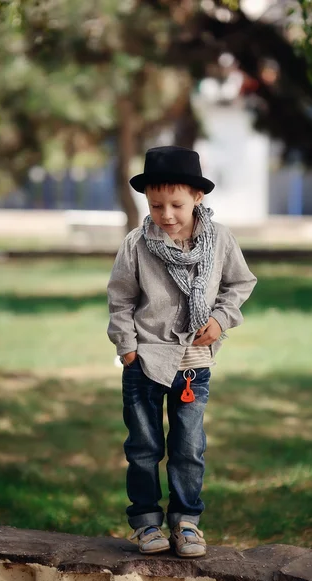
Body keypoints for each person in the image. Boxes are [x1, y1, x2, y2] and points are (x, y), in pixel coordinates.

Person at [107, 146, 257, 557]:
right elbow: (120, 299)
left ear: (198, 197)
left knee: (189, 446)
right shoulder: (136, 244)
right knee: (143, 447)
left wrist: (222, 319)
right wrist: (127, 348)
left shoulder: (220, 241)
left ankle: (186, 522)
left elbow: (240, 284)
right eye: (156, 205)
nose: (167, 214)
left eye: (176, 204)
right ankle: (145, 523)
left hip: (193, 364)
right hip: (145, 361)